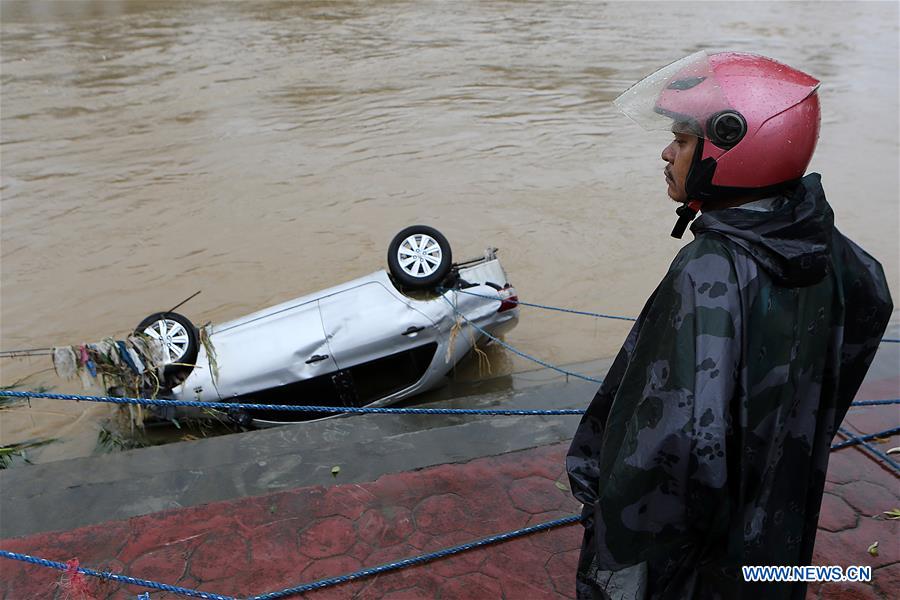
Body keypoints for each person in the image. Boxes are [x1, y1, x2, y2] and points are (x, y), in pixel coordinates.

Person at [566, 51, 893, 600]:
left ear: (732, 147)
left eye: (682, 139)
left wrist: (613, 538)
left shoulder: (709, 269)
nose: (666, 152)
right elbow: (867, 306)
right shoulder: (823, 245)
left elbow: (671, 444)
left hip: (700, 562)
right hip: (776, 524)